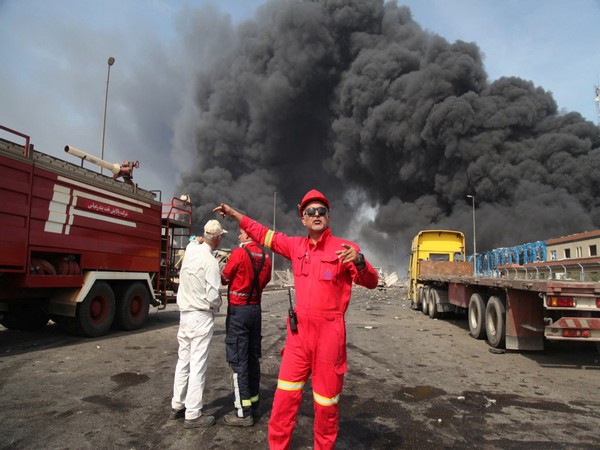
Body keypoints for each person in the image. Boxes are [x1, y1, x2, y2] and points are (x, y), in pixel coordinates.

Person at [214, 189, 379, 449]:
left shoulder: (345, 249)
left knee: (326, 406)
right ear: (303, 219)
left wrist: (360, 261)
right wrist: (236, 215)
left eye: (321, 211)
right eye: (310, 211)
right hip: (298, 339)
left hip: (329, 339)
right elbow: (263, 234)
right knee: (283, 402)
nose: (316, 215)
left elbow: (371, 282)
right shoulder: (295, 246)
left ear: (328, 216)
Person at [170, 219, 227, 428]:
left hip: (184, 315)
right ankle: (193, 414)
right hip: (201, 316)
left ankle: (177, 405)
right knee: (198, 365)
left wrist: (198, 240)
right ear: (219, 238)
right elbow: (213, 296)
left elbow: (194, 242)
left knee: (183, 361)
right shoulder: (211, 262)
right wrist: (219, 303)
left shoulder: (191, 250)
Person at [220, 228, 272, 427]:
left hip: (238, 313)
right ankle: (254, 404)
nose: (238, 236)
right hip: (255, 311)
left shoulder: (239, 253)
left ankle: (243, 412)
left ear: (248, 235)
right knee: (252, 358)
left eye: (241, 233)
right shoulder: (266, 257)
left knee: (238, 360)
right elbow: (264, 281)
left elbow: (225, 277)